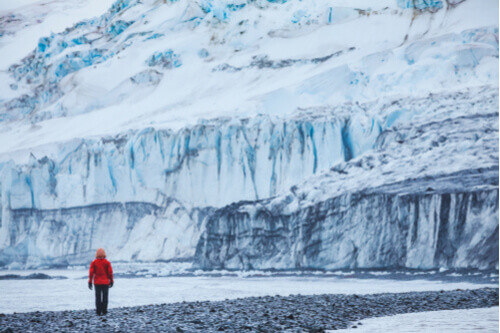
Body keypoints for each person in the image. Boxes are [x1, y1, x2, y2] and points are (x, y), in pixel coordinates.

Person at [88, 248, 114, 315]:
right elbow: (110, 272)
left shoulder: (94, 262)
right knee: (105, 297)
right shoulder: (107, 262)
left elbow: (91, 273)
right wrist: (111, 281)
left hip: (97, 283)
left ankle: (98, 311)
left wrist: (90, 282)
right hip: (105, 282)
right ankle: (104, 311)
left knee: (98, 297)